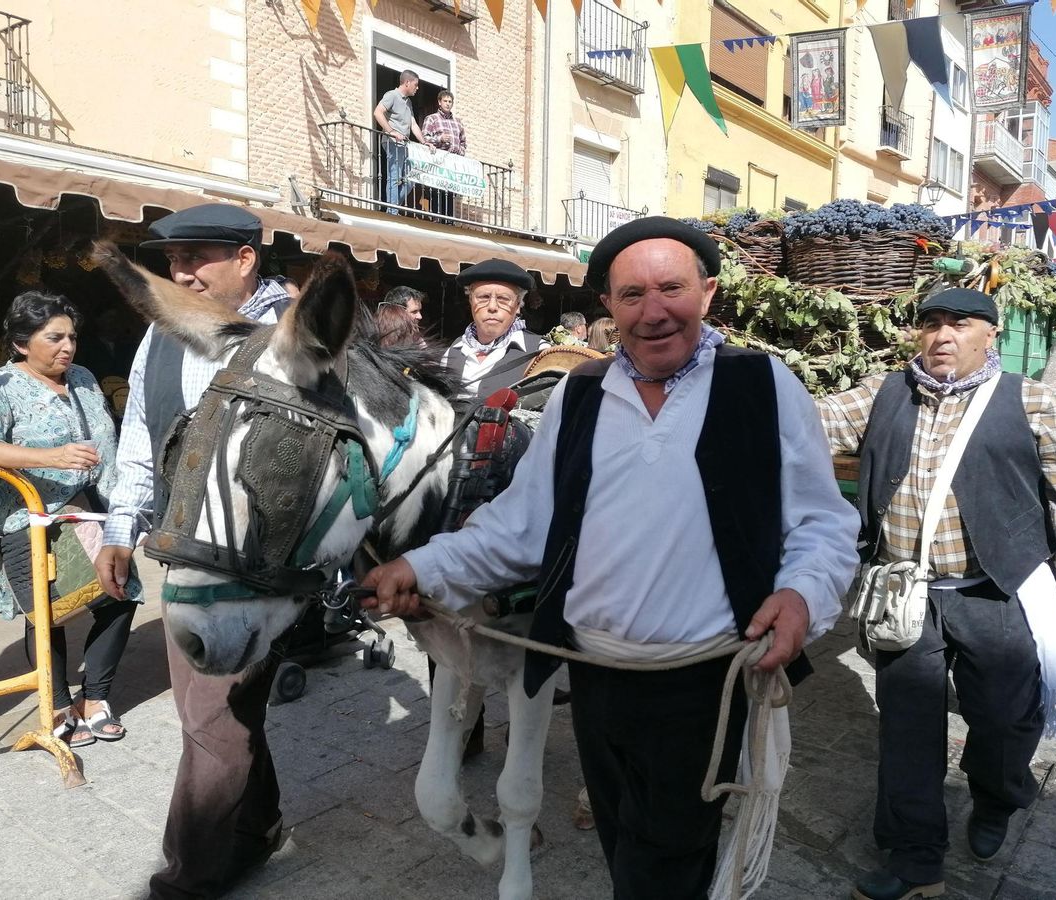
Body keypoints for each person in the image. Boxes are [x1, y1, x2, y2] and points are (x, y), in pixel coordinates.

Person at [364, 216, 859, 899]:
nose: (654, 311)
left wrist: (802, 594)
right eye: (632, 295)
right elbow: (519, 525)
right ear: (610, 307)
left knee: (663, 862)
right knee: (623, 839)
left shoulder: (763, 385)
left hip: (700, 684)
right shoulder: (582, 394)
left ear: (708, 293)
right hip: (591, 680)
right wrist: (419, 568)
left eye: (672, 288)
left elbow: (822, 522)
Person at [817, 288, 1056, 900]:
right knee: (905, 726)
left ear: (992, 333)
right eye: (930, 325)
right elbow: (804, 421)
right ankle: (915, 860)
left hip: (997, 591)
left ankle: (996, 797)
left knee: (1006, 721)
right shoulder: (884, 393)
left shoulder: (1033, 401)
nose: (943, 336)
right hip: (907, 595)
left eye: (960, 324)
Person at [93, 204, 293, 899]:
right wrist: (121, 529)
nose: (179, 273)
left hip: (255, 558)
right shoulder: (162, 328)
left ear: (245, 259)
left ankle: (192, 875)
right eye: (172, 261)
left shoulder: (300, 332)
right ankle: (259, 822)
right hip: (181, 544)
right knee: (214, 708)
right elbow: (143, 436)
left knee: (208, 712)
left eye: (196, 258)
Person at [0, 291, 144, 746]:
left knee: (120, 595)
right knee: (47, 615)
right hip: (27, 517)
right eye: (55, 338)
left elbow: (107, 446)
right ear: (22, 343)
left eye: (72, 337)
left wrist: (128, 506)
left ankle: (96, 697)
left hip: (88, 512)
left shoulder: (82, 377)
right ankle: (59, 704)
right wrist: (50, 456)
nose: (68, 347)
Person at [442, 258, 549, 398]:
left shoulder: (540, 353)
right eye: (483, 297)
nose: (492, 307)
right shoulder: (452, 352)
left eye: (503, 299)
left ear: (518, 305)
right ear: (470, 302)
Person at [373, 70, 424, 213]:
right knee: (394, 176)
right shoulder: (392, 95)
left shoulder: (408, 102)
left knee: (411, 179)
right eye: (416, 84)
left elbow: (413, 124)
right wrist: (391, 131)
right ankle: (392, 212)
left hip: (405, 145)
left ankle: (392, 208)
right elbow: (378, 112)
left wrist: (424, 142)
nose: (417, 88)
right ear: (407, 82)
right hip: (392, 143)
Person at [420, 90, 467, 219]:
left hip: (453, 162)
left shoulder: (458, 122)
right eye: (445, 101)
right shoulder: (432, 119)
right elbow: (424, 138)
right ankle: (437, 219)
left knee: (450, 192)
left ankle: (449, 221)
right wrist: (439, 139)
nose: (447, 104)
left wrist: (459, 153)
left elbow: (463, 142)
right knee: (437, 190)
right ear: (439, 102)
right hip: (438, 161)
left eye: (450, 101)